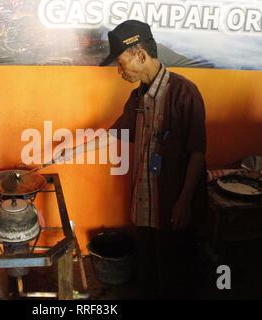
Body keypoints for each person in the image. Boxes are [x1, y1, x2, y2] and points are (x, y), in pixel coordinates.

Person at [95, 20, 207, 299]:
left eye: (120, 63)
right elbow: (112, 135)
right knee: (149, 275)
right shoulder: (136, 98)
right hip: (144, 206)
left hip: (172, 208)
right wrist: (67, 152)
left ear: (140, 55)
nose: (119, 71)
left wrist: (183, 201)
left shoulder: (185, 93)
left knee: (175, 276)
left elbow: (197, 152)